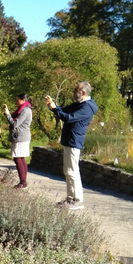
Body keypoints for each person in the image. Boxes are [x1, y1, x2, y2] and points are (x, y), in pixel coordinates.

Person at [44, 81, 98, 210]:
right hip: (69, 140)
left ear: (83, 93)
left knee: (72, 171)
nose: (73, 93)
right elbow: (62, 110)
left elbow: (68, 118)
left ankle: (77, 200)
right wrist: (53, 106)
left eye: (76, 91)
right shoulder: (79, 104)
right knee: (68, 171)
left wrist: (54, 108)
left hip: (74, 141)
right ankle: (70, 198)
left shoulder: (86, 107)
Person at [3, 93, 32, 189]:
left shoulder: (25, 110)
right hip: (21, 136)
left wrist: (7, 115)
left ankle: (22, 182)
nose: (16, 102)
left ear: (23, 100)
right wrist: (7, 114)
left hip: (21, 137)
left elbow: (15, 124)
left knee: (18, 158)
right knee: (20, 158)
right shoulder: (23, 109)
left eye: (17, 100)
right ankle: (23, 182)